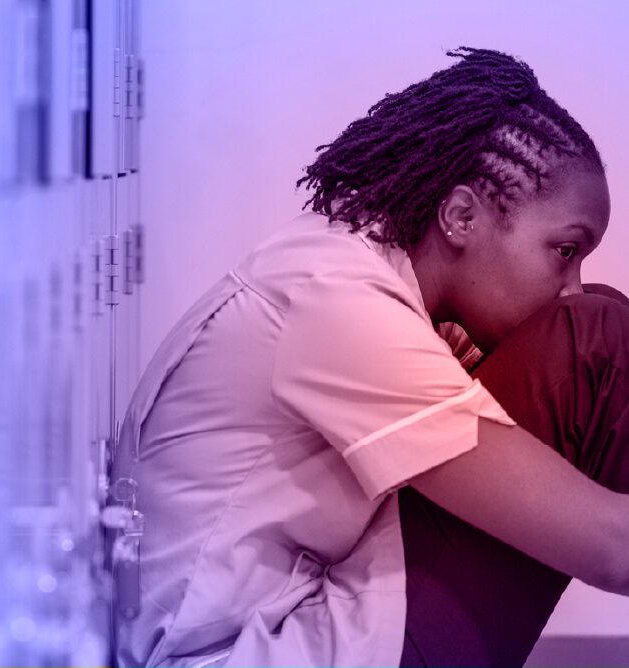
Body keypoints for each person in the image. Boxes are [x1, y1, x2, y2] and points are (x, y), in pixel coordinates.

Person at [110, 47, 629, 667]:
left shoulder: (341, 266)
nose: (569, 281)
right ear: (462, 216)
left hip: (275, 616)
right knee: (592, 332)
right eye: (565, 250)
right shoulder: (341, 305)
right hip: (235, 653)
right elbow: (613, 546)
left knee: (594, 314)